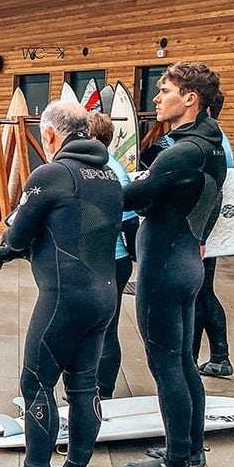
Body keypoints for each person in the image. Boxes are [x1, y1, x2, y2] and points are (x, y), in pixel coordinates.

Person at [0, 102, 123, 467]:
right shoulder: (108, 174)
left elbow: (20, 232)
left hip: (65, 298)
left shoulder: (52, 173)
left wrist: (4, 251)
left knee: (36, 381)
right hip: (103, 295)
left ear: (50, 135)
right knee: (84, 385)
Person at [123, 62, 227, 467]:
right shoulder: (211, 145)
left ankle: (176, 462)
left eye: (164, 90)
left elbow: (132, 196)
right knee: (182, 359)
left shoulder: (184, 151)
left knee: (165, 362)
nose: (156, 97)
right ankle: (189, 446)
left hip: (165, 266)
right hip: (186, 260)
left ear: (190, 98)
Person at [89, 112, 142, 400]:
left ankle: (104, 391)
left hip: (111, 262)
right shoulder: (94, 167)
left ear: (94, 138)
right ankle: (90, 385)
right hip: (95, 262)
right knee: (91, 326)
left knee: (106, 328)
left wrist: (134, 259)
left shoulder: (112, 171)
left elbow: (130, 221)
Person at [194, 92, 234, 378]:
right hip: (210, 228)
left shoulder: (211, 144)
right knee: (203, 291)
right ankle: (218, 356)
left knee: (200, 292)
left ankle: (207, 357)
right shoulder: (220, 139)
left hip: (204, 230)